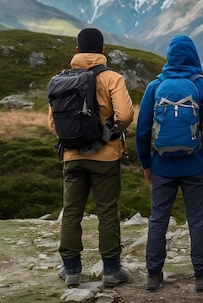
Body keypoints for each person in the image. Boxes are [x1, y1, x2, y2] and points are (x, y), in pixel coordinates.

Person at [136, 35, 203, 292]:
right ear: (194, 56)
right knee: (196, 219)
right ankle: (201, 275)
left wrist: (146, 164)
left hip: (161, 166)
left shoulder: (155, 87)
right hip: (194, 165)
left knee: (158, 219)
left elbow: (142, 131)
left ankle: (153, 274)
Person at [50, 27, 135, 288]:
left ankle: (72, 270)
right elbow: (125, 116)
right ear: (103, 51)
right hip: (105, 158)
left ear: (77, 51)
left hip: (71, 156)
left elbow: (54, 125)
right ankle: (111, 270)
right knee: (108, 210)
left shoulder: (60, 80)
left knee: (72, 211)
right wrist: (106, 135)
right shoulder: (112, 78)